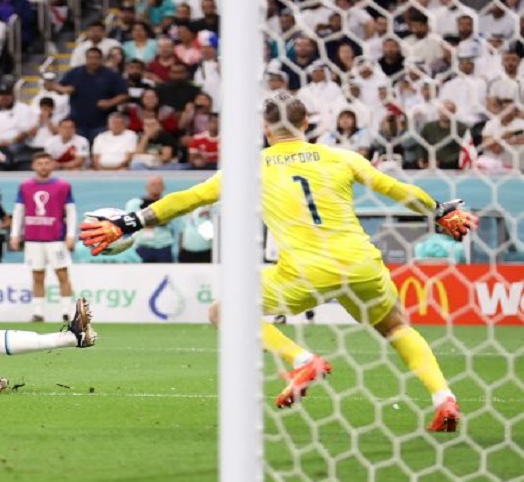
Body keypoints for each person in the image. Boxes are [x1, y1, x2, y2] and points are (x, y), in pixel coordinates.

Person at [80, 93, 479, 432]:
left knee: (224, 310)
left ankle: (302, 360)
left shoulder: (251, 167)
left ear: (265, 128)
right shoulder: (340, 156)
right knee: (395, 327)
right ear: (306, 122)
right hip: (360, 263)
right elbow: (395, 187)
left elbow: (190, 198)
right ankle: (444, 398)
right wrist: (439, 211)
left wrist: (129, 222)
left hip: (305, 271)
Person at [10, 152, 77, 323]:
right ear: (34, 166)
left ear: (52, 165)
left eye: (47, 163)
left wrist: (71, 235)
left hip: (56, 238)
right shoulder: (25, 186)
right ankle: (38, 312)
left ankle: (67, 312)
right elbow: (19, 211)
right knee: (37, 276)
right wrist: (15, 234)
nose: (43, 166)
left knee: (62, 274)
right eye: (40, 163)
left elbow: (70, 211)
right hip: (33, 238)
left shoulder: (63, 186)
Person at [123, 176, 179, 262]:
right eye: (153, 184)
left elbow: (166, 220)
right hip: (142, 246)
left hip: (164, 246)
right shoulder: (135, 203)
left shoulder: (167, 203)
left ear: (163, 187)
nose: (156, 187)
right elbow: (129, 223)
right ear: (147, 187)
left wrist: (145, 220)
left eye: (159, 184)